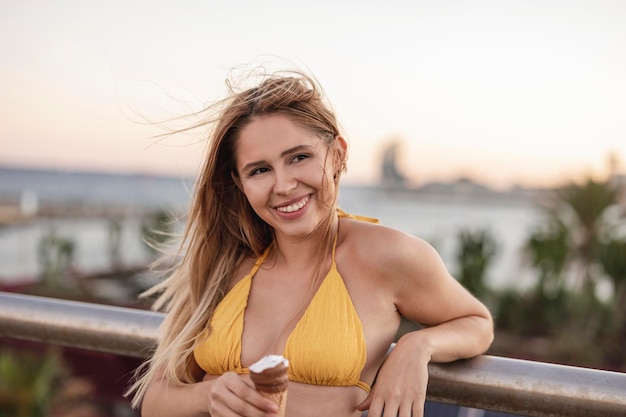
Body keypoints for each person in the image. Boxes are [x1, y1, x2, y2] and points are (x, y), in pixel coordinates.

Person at [128, 67, 494, 417]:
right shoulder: (224, 262)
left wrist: (418, 347)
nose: (284, 185)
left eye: (299, 158)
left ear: (337, 155)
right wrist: (208, 394)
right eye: (260, 170)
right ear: (240, 183)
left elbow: (476, 322)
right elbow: (154, 401)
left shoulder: (387, 254)